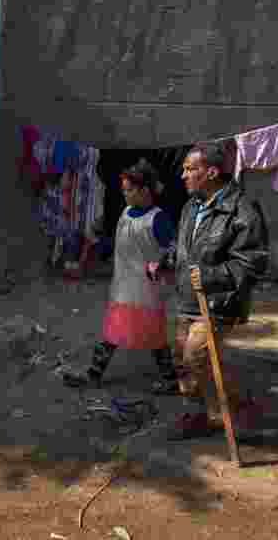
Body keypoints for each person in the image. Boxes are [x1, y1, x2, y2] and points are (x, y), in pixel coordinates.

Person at [151, 142, 271, 440]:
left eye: (190, 169)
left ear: (212, 172)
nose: (183, 175)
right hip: (186, 299)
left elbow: (252, 263)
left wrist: (210, 276)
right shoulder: (191, 206)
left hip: (218, 302)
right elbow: (181, 244)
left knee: (197, 356)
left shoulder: (242, 210)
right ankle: (197, 415)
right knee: (181, 361)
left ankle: (239, 407)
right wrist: (165, 260)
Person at [62, 159, 179, 391]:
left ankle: (170, 380)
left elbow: (174, 252)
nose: (125, 194)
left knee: (154, 336)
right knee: (116, 332)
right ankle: (95, 375)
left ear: (145, 190)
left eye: (129, 190)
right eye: (124, 190)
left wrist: (163, 265)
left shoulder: (158, 219)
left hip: (147, 289)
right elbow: (122, 244)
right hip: (124, 286)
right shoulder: (126, 212)